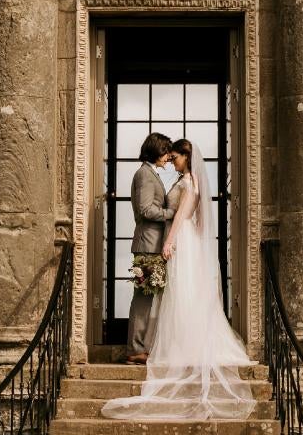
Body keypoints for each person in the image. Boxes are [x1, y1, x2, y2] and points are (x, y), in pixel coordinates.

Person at [104, 136, 256, 419]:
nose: (171, 161)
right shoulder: (166, 178)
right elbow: (165, 212)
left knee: (177, 294)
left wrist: (169, 242)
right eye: (168, 156)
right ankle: (143, 346)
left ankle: (171, 345)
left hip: (177, 240)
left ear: (187, 157)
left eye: (175, 157)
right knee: (165, 294)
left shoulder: (189, 182)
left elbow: (183, 215)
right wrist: (173, 229)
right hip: (174, 240)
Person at [124, 132, 176, 362]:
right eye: (165, 152)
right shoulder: (144, 174)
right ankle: (135, 350)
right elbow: (145, 209)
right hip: (147, 246)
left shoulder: (149, 173)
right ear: (156, 151)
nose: (168, 158)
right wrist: (170, 213)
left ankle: (141, 346)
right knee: (143, 298)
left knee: (147, 297)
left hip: (152, 245)